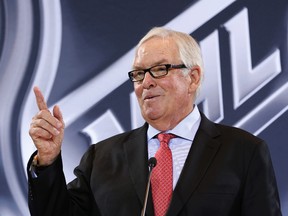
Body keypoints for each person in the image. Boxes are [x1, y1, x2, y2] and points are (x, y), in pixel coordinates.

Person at [27, 27, 282, 216]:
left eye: (160, 69)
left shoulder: (244, 152)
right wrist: (47, 160)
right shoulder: (101, 157)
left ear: (192, 78)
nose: (146, 82)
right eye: (139, 74)